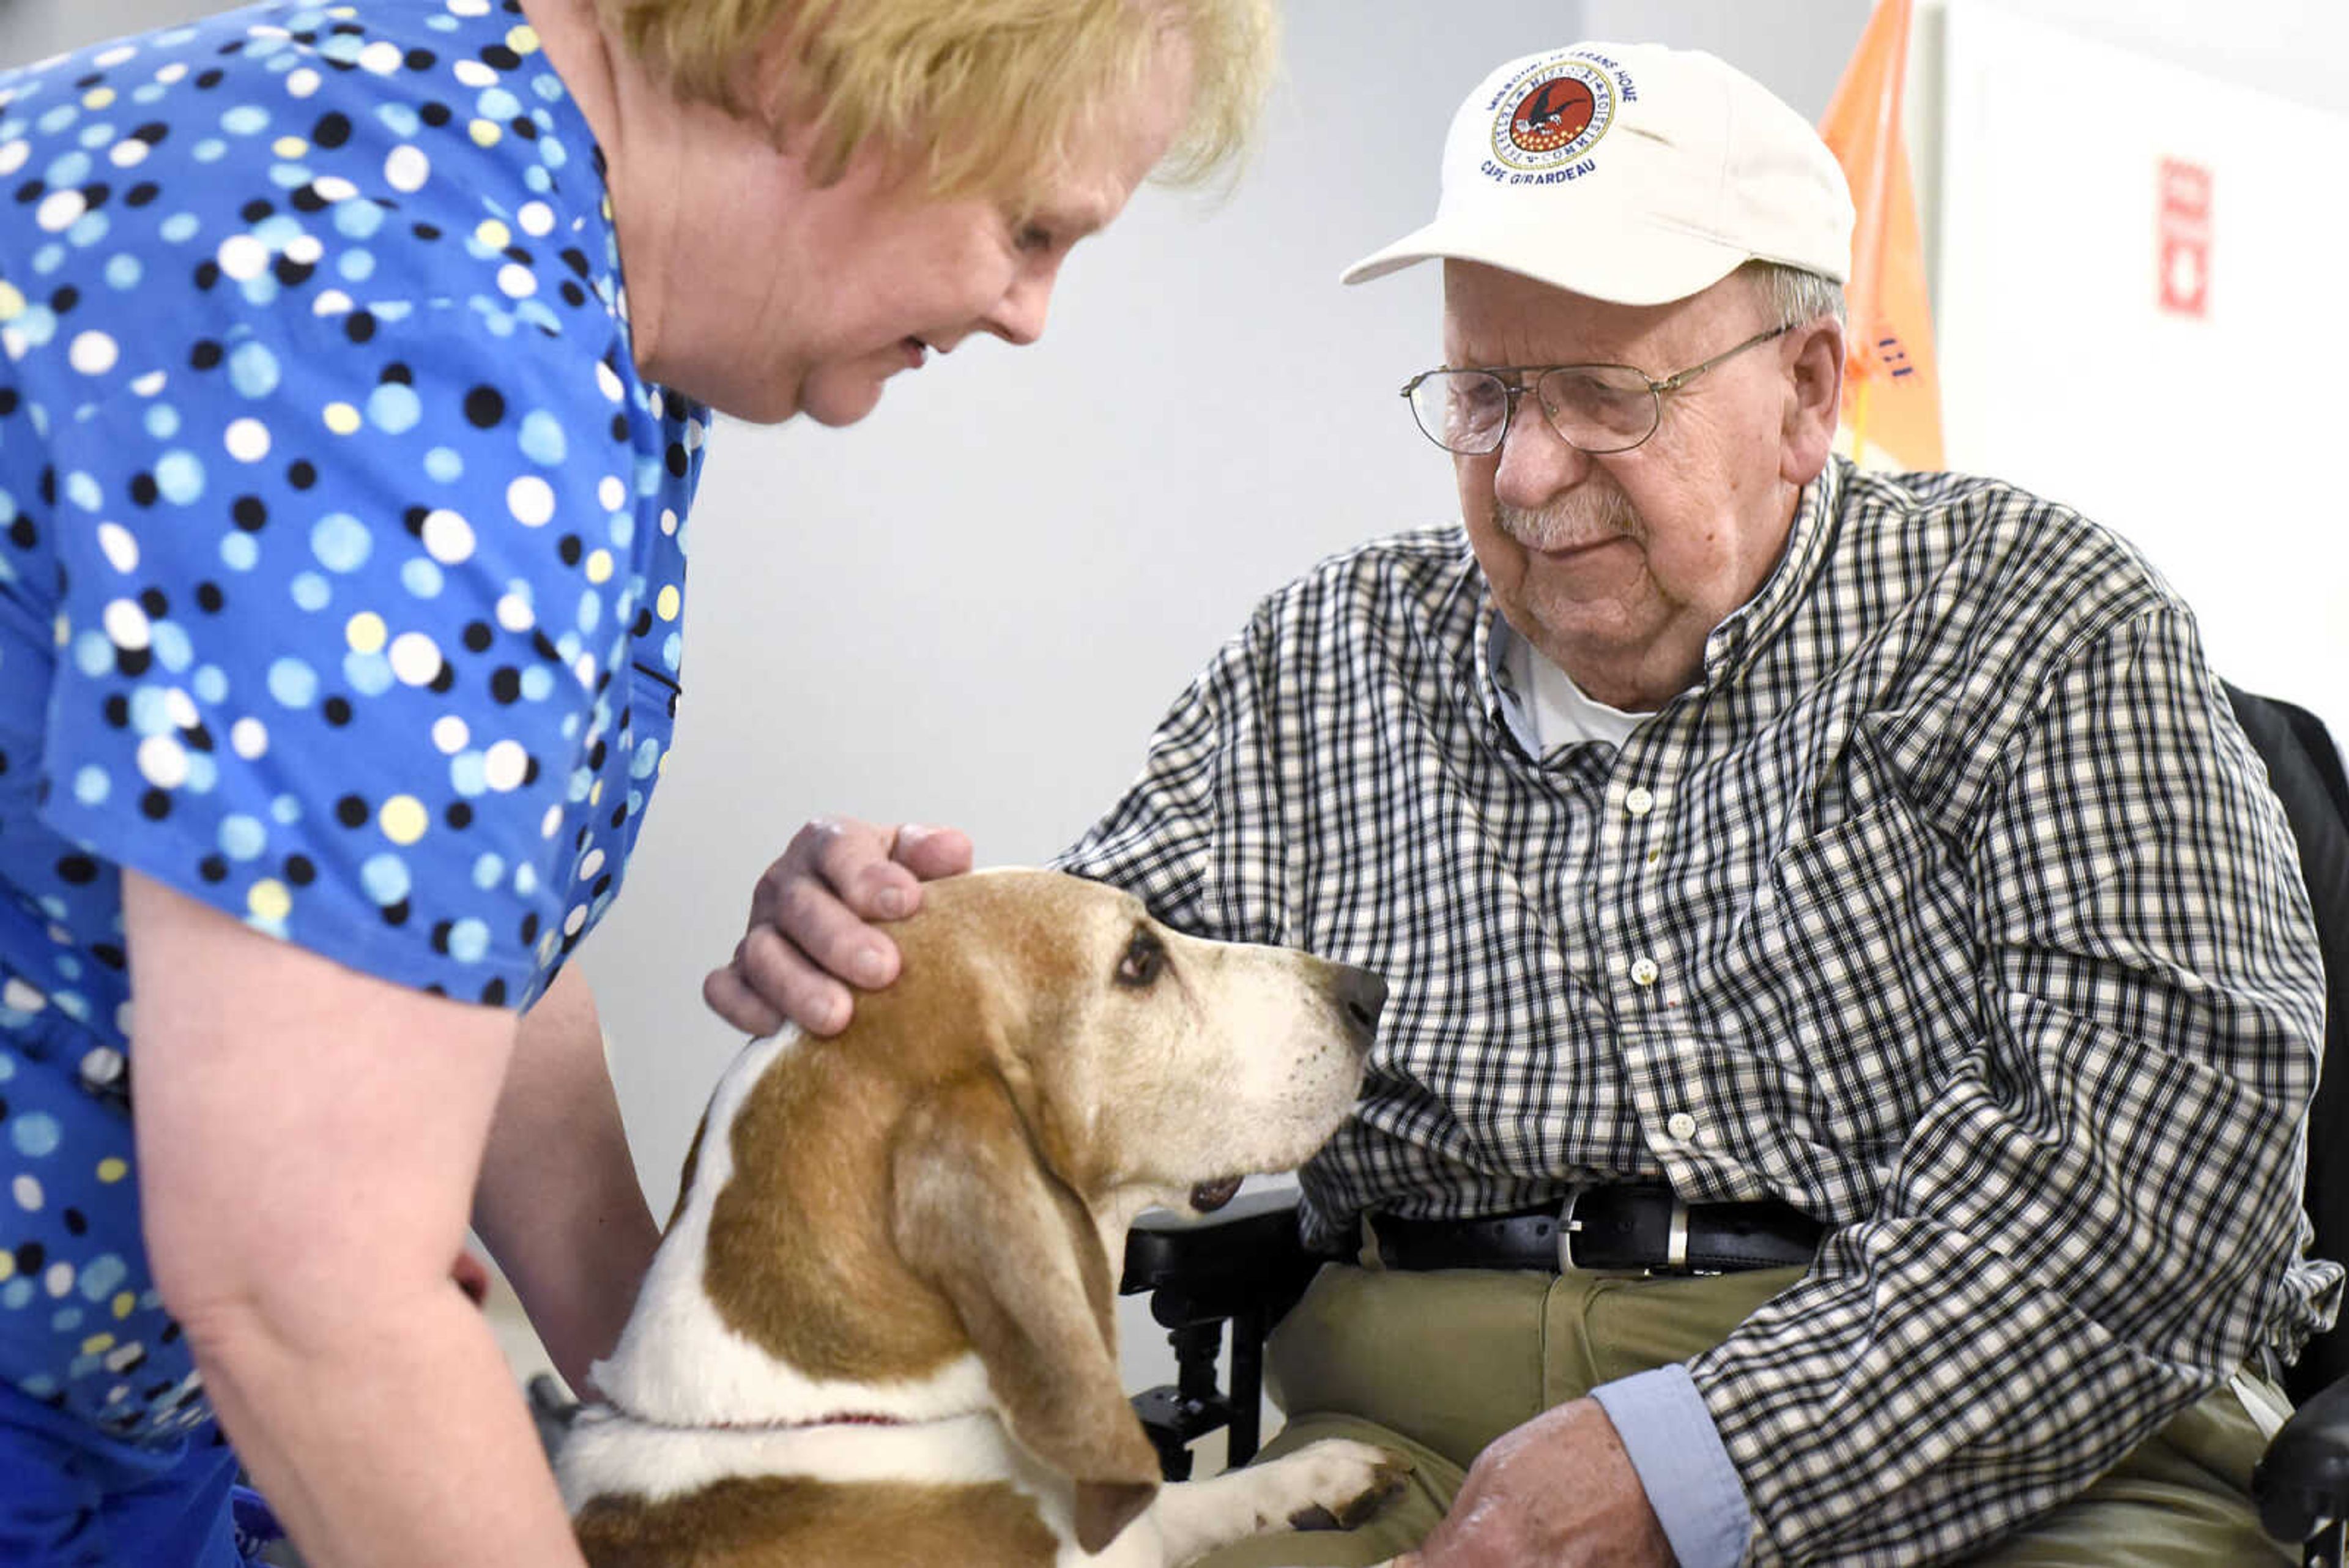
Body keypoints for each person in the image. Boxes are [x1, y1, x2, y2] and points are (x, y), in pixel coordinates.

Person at [719, 39, 2344, 1568]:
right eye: (1481, 395)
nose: (1523, 473)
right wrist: (877, 973)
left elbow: (2155, 1181)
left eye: (1600, 394)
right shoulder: (1327, 658)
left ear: (1805, 389)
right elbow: (1061, 1036)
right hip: (1413, 1446)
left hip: (2006, 1448)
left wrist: (1702, 1463)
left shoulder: (2041, 620)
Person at [0, 0, 1275, 1562]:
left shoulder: (513, 225)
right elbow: (304, 1290)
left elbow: (437, 958)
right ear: (819, 63)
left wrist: (691, 1390)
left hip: (137, 1431)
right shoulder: (410, 334)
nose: (1029, 312)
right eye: (1027, 228)